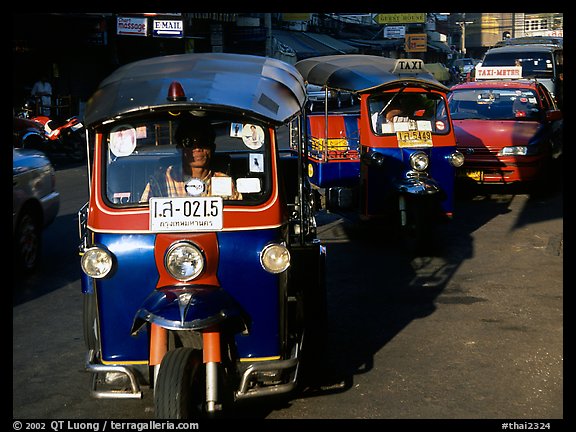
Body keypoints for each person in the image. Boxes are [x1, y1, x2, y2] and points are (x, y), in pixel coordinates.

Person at [140, 115, 241, 202]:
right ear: (180, 149)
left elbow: (238, 217)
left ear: (212, 148)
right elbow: (143, 215)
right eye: (189, 143)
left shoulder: (224, 181)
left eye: (204, 141)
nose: (197, 148)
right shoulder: (161, 179)